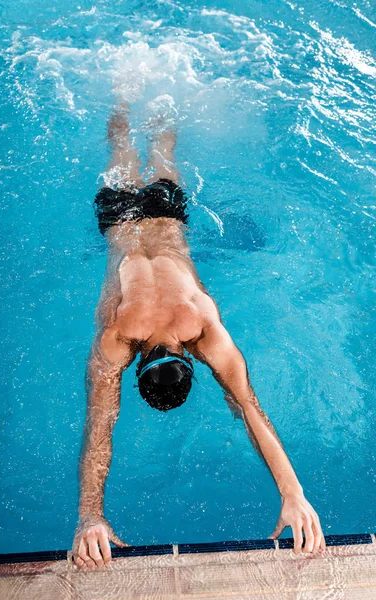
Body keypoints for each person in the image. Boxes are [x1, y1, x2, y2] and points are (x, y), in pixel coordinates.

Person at [72, 100, 325, 570]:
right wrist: (292, 493)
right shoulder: (124, 334)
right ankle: (132, 97)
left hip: (166, 218)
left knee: (156, 151)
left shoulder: (196, 329)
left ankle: (140, 95)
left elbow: (99, 433)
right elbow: (251, 411)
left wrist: (92, 515)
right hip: (120, 221)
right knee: (126, 146)